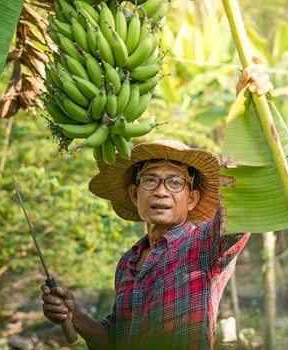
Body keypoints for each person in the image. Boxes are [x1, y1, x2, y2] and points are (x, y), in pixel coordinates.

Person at [41, 57, 273, 350]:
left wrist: (245, 109)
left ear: (192, 199)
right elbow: (114, 340)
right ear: (135, 194)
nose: (161, 191)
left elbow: (236, 202)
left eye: (175, 183)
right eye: (150, 180)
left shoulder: (203, 246)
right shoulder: (128, 262)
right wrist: (75, 317)